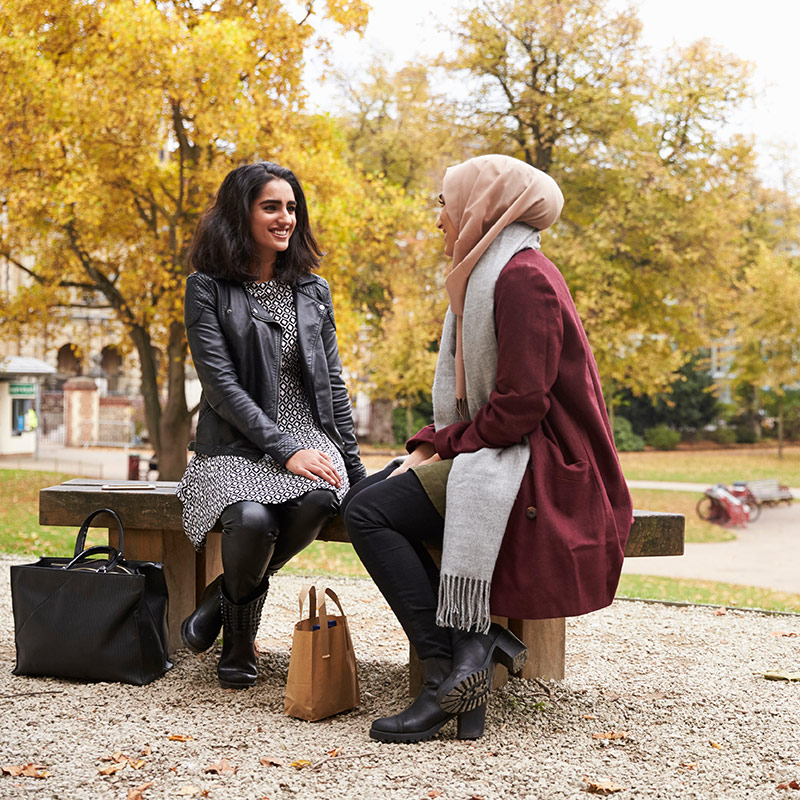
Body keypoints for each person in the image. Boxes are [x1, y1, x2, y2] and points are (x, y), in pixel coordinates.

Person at [343, 154, 633, 743]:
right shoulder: (487, 272)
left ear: (482, 205)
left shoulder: (523, 277)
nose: (440, 217)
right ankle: (473, 654)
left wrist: (437, 446)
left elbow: (520, 408)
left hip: (542, 462)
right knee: (365, 493)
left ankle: (447, 672)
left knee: (367, 513)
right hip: (508, 448)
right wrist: (430, 448)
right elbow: (497, 410)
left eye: (446, 202)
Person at [177, 162, 366, 689]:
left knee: (320, 497)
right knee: (253, 523)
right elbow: (221, 387)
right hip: (235, 446)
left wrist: (355, 469)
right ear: (242, 213)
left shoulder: (312, 290)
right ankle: (239, 641)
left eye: (291, 207)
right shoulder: (207, 289)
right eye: (271, 207)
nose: (286, 218)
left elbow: (331, 386)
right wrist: (283, 449)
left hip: (307, 440)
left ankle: (218, 606)